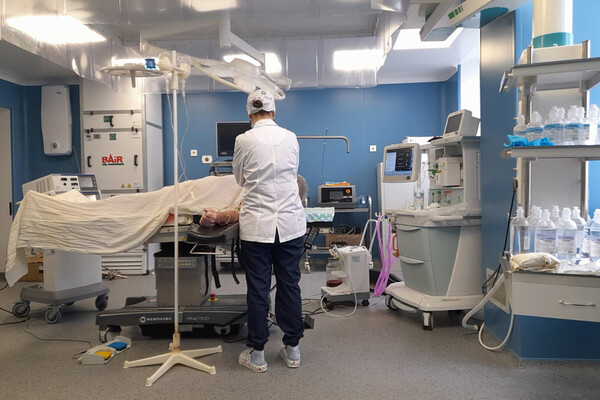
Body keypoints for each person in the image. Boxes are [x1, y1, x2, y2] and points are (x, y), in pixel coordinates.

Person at [232, 89, 307, 373]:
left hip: (257, 226)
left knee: (258, 289)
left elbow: (239, 179)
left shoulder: (243, 139)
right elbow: (293, 173)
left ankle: (258, 354)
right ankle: (293, 350)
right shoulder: (291, 137)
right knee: (290, 285)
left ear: (249, 114)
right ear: (274, 112)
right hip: (290, 224)